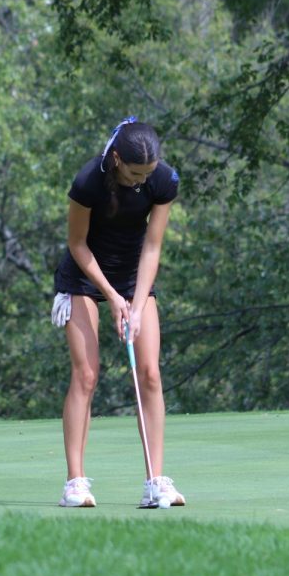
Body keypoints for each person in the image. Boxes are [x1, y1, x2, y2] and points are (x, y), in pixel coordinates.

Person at [51, 117, 186, 508]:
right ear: (116, 160)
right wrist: (111, 297)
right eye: (134, 173)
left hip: (133, 275)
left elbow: (153, 247)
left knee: (150, 372)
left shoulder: (163, 180)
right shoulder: (89, 181)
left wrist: (137, 305)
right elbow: (77, 243)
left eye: (148, 173)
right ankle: (75, 483)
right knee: (87, 374)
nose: (141, 181)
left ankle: (155, 482)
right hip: (85, 273)